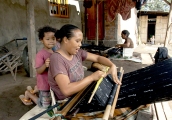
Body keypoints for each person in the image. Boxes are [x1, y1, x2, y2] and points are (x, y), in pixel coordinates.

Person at [48, 24, 121, 101]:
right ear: (66, 39)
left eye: (80, 41)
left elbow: (97, 58)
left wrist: (112, 65)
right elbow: (67, 90)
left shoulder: (77, 52)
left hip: (80, 92)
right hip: (68, 101)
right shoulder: (57, 59)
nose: (80, 44)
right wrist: (91, 77)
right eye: (77, 41)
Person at [19, 26, 57, 108]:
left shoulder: (55, 52)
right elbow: (38, 71)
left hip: (54, 83)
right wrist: (45, 65)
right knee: (45, 106)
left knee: (54, 100)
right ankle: (28, 94)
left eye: (53, 39)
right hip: (44, 84)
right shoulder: (40, 54)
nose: (51, 41)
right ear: (41, 40)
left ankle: (36, 89)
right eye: (48, 39)